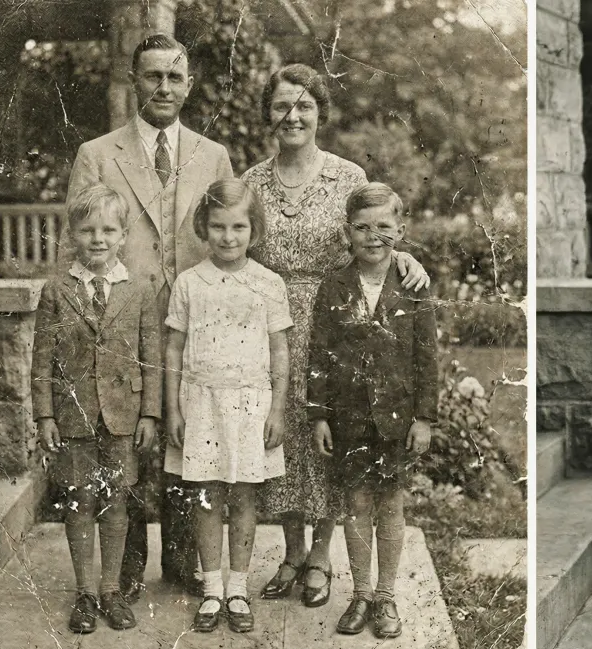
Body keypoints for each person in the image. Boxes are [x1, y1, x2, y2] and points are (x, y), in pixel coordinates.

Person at [242, 63, 428, 608]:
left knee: (332, 438)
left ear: (320, 112)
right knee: (286, 437)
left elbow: (375, 237)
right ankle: (293, 552)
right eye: (281, 105)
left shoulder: (346, 177)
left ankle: (322, 556)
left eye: (304, 105)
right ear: (268, 114)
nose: (292, 115)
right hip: (268, 323)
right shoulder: (252, 181)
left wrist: (408, 258)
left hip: (337, 327)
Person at [68, 33, 234, 598]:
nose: (163, 87)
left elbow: (230, 234)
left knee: (192, 430)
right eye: (152, 76)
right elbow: (79, 244)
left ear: (188, 85)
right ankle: (129, 566)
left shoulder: (213, 156)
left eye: (174, 76)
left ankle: (187, 559)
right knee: (130, 432)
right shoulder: (97, 153)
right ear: (134, 82)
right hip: (120, 319)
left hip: (195, 319)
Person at [306, 183, 439, 639]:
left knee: (391, 506)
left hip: (397, 420)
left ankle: (386, 596)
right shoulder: (334, 284)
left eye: (384, 226)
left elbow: (427, 357)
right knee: (356, 504)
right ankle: (360, 594)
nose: (373, 236)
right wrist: (319, 414)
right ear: (348, 232)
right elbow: (320, 353)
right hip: (349, 419)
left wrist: (424, 417)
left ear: (400, 230)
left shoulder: (413, 285)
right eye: (362, 227)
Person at [162, 179, 292, 633]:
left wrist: (277, 410)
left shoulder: (268, 283)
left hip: (251, 404)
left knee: (243, 496)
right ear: (204, 228)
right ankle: (212, 588)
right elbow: (174, 349)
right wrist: (174, 410)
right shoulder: (189, 283)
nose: (228, 236)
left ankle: (238, 587)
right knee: (206, 496)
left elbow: (279, 351)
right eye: (218, 226)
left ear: (254, 230)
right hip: (200, 403)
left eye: (239, 226)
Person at [31, 185, 161, 633]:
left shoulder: (140, 290)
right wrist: (45, 416)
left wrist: (150, 415)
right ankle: (85, 592)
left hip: (124, 417)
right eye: (88, 231)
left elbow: (151, 356)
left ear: (124, 234)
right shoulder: (56, 290)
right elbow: (42, 359)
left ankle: (111, 589)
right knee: (80, 501)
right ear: (72, 234)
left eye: (109, 230)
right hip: (74, 418)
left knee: (116, 502)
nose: (99, 239)